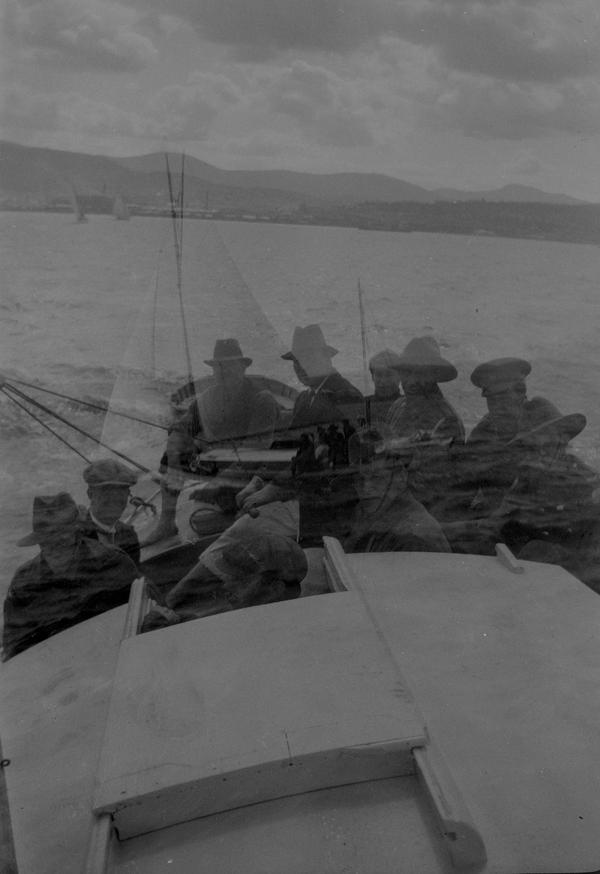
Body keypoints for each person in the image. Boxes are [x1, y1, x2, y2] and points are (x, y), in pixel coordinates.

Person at [141, 338, 280, 545]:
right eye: (219, 366)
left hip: (256, 470)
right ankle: (167, 523)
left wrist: (216, 483)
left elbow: (255, 452)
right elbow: (182, 428)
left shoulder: (262, 399)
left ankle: (240, 516)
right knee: (173, 456)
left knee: (212, 517)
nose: (224, 371)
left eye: (230, 365)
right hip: (223, 464)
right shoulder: (208, 398)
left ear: (243, 367)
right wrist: (174, 454)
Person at [3, 493, 138, 660]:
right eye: (47, 541)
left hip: (112, 655)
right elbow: (15, 646)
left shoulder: (113, 563)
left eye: (62, 540)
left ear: (77, 534)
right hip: (55, 665)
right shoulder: (23, 584)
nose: (55, 547)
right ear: (38, 542)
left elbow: (141, 612)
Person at [344, 444, 451, 554]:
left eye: (377, 478)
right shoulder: (367, 514)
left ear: (400, 478)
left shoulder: (412, 537)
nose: (365, 488)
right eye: (359, 478)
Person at [282, 324, 363, 431]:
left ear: (326, 359)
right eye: (296, 361)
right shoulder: (303, 398)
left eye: (307, 359)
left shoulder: (346, 396)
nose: (301, 367)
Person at [78, 458, 140, 567]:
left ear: (128, 494)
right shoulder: (75, 538)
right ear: (90, 494)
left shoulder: (129, 535)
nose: (114, 498)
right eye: (107, 491)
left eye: (121, 491)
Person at [365, 348, 403, 429]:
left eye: (389, 375)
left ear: (399, 377)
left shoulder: (407, 406)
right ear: (372, 377)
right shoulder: (362, 405)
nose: (383, 381)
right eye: (379, 375)